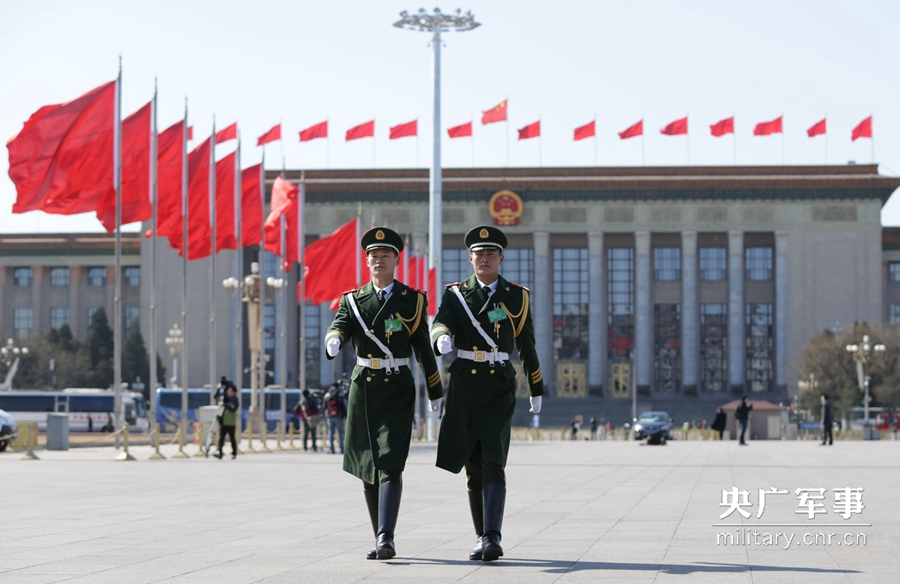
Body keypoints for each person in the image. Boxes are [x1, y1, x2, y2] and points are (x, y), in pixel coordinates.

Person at [324, 227, 443, 560]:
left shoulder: (412, 300)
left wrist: (435, 389)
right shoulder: (353, 300)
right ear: (367, 262)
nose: (378, 260)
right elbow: (340, 325)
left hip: (396, 386)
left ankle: (386, 536)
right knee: (367, 463)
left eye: (385, 256)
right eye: (373, 256)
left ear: (396, 261)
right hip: (364, 386)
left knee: (390, 460)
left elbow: (422, 347)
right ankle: (380, 535)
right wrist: (332, 340)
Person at [431, 225, 544, 562]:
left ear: (501, 259)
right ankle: (481, 535)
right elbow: (441, 320)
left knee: (494, 455)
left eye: (490, 254)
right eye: (478, 254)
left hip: (498, 383)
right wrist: (441, 337)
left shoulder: (516, 296)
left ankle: (493, 536)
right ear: (470, 259)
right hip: (465, 381)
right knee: (472, 462)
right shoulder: (455, 294)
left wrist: (536, 387)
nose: (484, 259)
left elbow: (526, 344)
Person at [214, 384, 238, 459]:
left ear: (234, 392)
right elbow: (216, 397)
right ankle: (220, 452)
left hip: (231, 423)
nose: (228, 392)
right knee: (221, 438)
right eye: (228, 390)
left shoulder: (235, 400)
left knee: (232, 438)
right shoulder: (224, 398)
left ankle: (234, 453)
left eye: (230, 391)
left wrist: (225, 405)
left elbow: (233, 408)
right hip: (223, 422)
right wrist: (218, 389)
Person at [323, 382, 348, 454]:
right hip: (339, 416)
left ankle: (331, 449)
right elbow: (345, 406)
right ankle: (342, 449)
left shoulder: (327, 395)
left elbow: (324, 407)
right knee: (341, 432)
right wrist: (345, 415)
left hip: (329, 416)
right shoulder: (341, 395)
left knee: (330, 433)